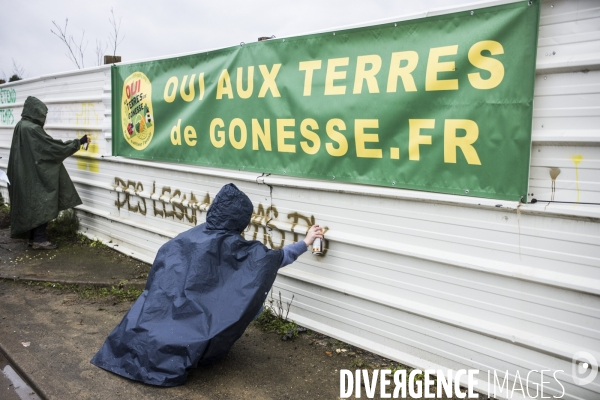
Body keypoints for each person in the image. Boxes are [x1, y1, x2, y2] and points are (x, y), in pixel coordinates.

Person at [91, 183, 323, 386]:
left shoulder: (187, 237)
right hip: (192, 319)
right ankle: (208, 347)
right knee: (252, 302)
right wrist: (306, 242)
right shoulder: (236, 247)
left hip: (161, 313)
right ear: (241, 219)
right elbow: (273, 260)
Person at [7, 96, 90, 249]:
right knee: (42, 201)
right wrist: (78, 142)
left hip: (23, 174)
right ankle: (39, 239)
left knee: (31, 204)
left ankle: (33, 238)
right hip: (33, 175)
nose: (43, 119)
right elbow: (52, 148)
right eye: (42, 115)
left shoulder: (21, 125)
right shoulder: (32, 129)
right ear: (36, 113)